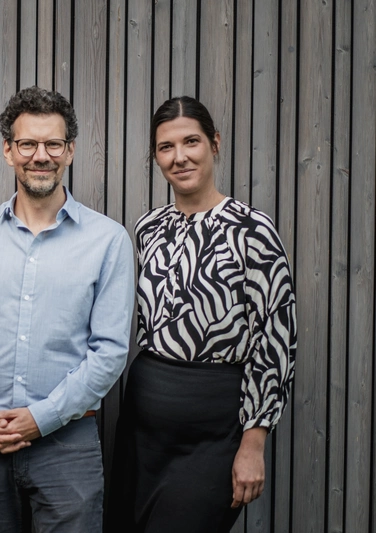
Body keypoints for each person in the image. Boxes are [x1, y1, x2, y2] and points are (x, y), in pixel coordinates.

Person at [0, 85, 135, 532]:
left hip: (68, 444)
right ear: (8, 150)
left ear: (70, 150)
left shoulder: (108, 240)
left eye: (53, 144)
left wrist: (41, 419)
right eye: (27, 144)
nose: (41, 156)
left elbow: (110, 352)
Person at [115, 95, 297, 532]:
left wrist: (254, 443)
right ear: (156, 156)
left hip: (215, 428)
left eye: (191, 142)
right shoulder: (147, 228)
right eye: (166, 147)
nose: (179, 157)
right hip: (143, 423)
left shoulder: (253, 229)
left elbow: (276, 339)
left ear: (214, 143)